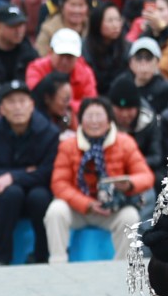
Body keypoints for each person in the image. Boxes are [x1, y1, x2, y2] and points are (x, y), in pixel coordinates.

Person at [46, 97, 155, 262]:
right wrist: (86, 204)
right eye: (89, 116)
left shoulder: (125, 142)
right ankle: (58, 262)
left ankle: (123, 266)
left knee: (130, 216)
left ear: (109, 119)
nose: (94, 121)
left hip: (112, 209)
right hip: (79, 208)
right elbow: (59, 184)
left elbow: (146, 176)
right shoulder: (68, 145)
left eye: (99, 116)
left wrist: (129, 184)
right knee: (55, 211)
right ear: (81, 119)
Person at [0, 78, 58, 264]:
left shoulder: (48, 132)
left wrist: (12, 176)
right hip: (5, 196)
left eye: (22, 101)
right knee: (12, 193)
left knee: (39, 197)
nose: (17, 107)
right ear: (2, 108)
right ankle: (1, 257)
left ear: (32, 105)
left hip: (37, 191)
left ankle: (42, 256)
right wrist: (27, 173)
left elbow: (49, 172)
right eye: (11, 102)